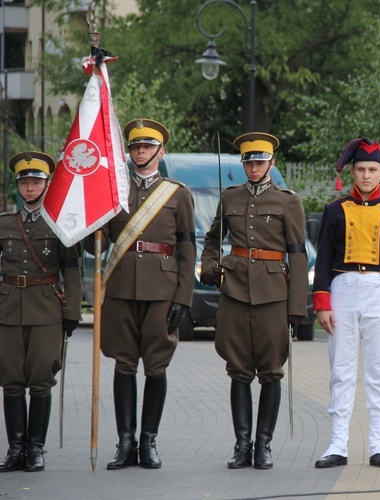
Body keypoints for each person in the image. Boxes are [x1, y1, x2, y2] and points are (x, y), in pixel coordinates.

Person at [91, 119, 196, 470]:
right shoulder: (114, 192)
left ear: (160, 151)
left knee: (155, 366)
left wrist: (184, 297)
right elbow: (98, 239)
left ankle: (148, 441)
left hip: (161, 290)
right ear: (130, 151)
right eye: (136, 147)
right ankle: (125, 443)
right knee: (124, 363)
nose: (141, 152)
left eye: (148, 147)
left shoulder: (177, 193)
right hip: (121, 288)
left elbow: (187, 248)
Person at [200, 132, 308, 470]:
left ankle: (263, 445)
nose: (254, 167)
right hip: (234, 290)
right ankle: (241, 445)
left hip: (274, 294)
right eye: (249, 162)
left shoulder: (288, 201)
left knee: (271, 372)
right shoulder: (229, 196)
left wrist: (296, 306)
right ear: (243, 164)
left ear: (271, 163)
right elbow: (213, 237)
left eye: (260, 161)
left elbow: (298, 255)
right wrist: (210, 264)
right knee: (239, 371)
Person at [313, 138, 380, 469]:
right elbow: (324, 258)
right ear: (352, 172)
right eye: (360, 169)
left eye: (372, 169)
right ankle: (338, 443)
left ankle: (378, 445)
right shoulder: (334, 209)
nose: (366, 175)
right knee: (340, 371)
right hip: (342, 288)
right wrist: (322, 302)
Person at [0, 152, 83, 473]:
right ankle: (15, 448)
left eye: (36, 181)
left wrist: (73, 311)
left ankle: (35, 448)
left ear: (47, 184)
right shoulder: (5, 223)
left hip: (47, 308)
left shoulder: (60, 223)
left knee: (40, 380)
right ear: (17, 185)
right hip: (8, 309)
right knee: (11, 381)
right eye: (24, 182)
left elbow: (73, 270)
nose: (30, 188)